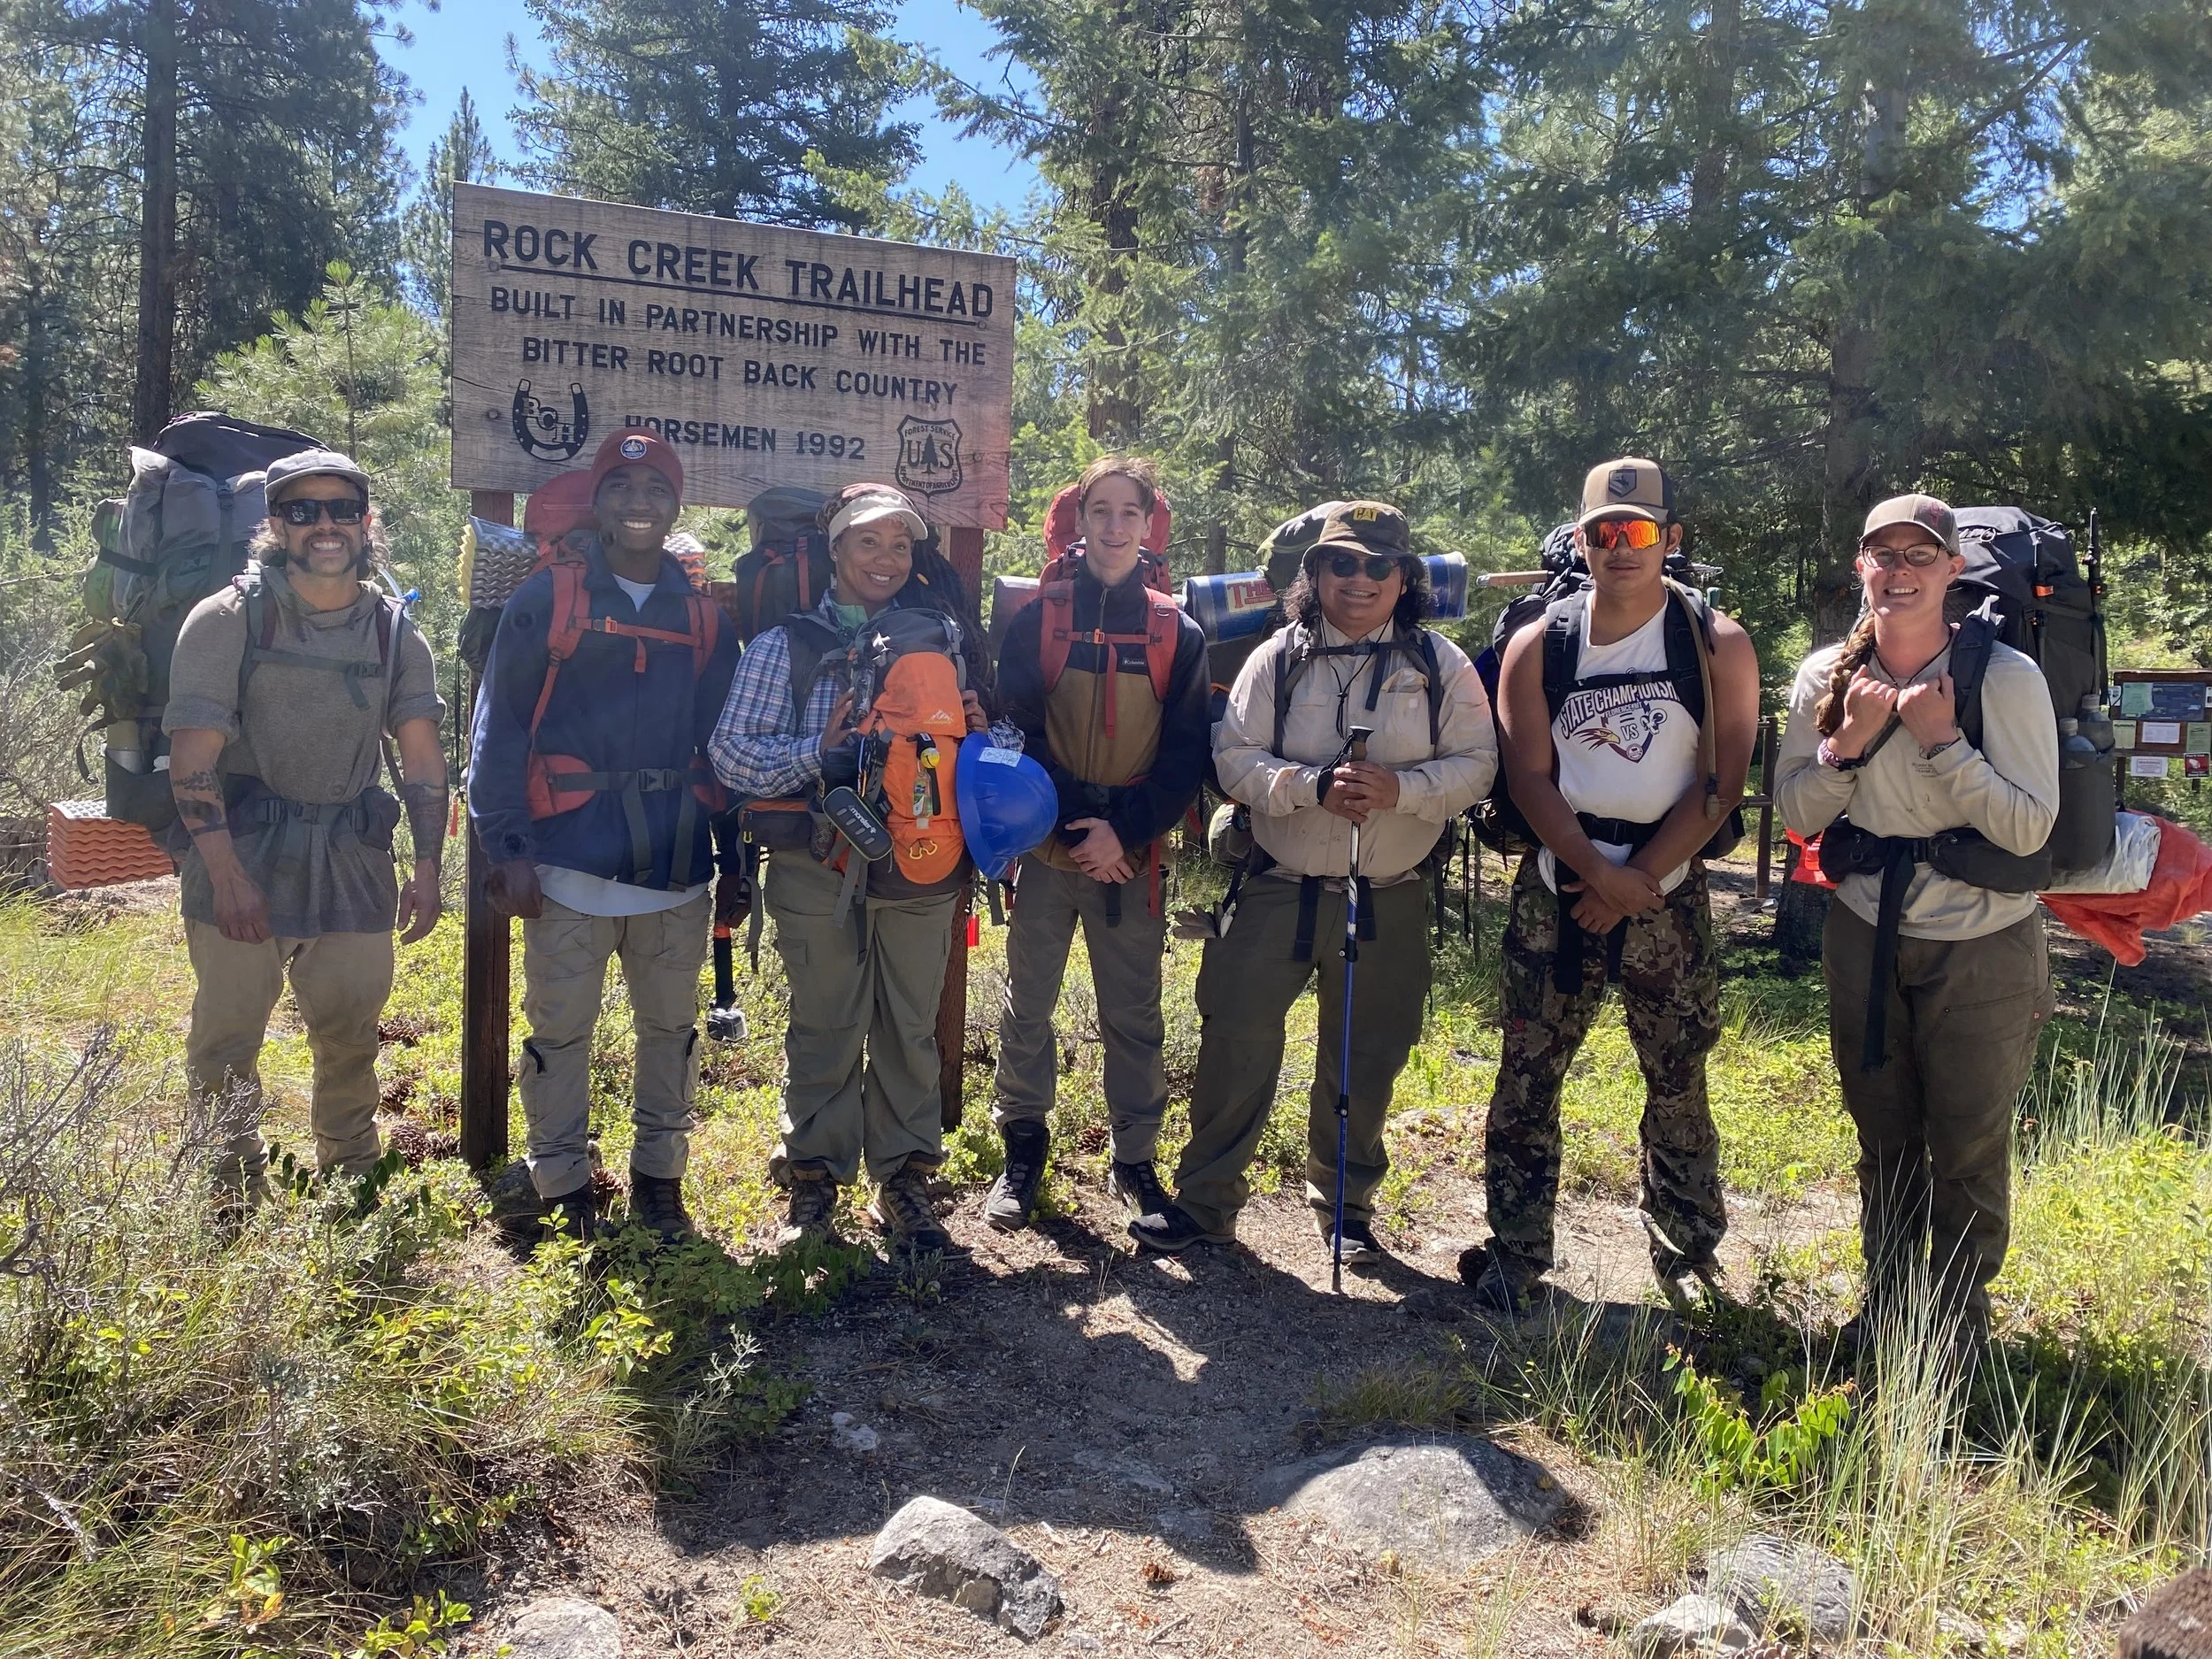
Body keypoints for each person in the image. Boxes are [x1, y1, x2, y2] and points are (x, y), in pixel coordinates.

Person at [1128, 501, 1497, 1260]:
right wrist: (1309, 786)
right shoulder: (1277, 658)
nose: (1360, 579)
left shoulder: (1441, 665)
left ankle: (1346, 1207)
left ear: (1404, 578)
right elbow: (1234, 758)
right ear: (1316, 573)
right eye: (1342, 563)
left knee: (1367, 1053)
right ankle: (1205, 1201)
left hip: (1389, 891)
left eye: (1378, 565)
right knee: (1234, 1040)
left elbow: (1479, 765)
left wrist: (1402, 790)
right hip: (1277, 885)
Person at [1469, 458, 1759, 1313]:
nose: (1621, 547)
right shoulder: (1539, 645)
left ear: (1670, 538)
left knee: (1677, 1072)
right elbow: (1529, 777)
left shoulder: (1716, 643)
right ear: (1582, 539)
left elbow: (1720, 785)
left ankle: (1686, 1249)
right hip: (1559, 887)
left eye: (1638, 531)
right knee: (1527, 1072)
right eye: (1604, 532)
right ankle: (1516, 1251)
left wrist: (1639, 877)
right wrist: (1596, 873)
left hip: (1668, 889)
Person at [1774, 493, 2057, 1358]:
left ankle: (1958, 1329)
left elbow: (2028, 828)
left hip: (1984, 940)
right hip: (1866, 929)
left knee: (1967, 1141)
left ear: (1952, 569)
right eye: (1883, 554)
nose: (1899, 571)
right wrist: (1848, 743)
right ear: (1860, 566)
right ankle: (1891, 1308)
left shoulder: (2004, 676)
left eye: (1920, 555)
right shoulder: (1826, 677)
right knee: (1883, 1134)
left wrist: (1943, 742)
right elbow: (1796, 810)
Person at [471, 429, 739, 1244]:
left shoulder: (703, 617)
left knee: (671, 1034)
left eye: (656, 489)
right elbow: (498, 730)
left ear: (676, 505)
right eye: (622, 487)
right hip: (565, 863)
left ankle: (660, 1182)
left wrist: (736, 863)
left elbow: (723, 750)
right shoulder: (546, 599)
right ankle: (562, 1183)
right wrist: (508, 850)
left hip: (675, 868)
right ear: (599, 501)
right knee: (560, 1035)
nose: (638, 503)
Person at [710, 485, 989, 1252]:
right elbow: (731, 754)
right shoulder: (785, 646)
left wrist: (982, 740)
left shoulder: (947, 644)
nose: (885, 558)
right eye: (867, 542)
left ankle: (903, 1178)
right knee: (825, 1022)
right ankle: (814, 1176)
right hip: (817, 862)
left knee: (909, 1025)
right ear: (833, 550)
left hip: (921, 862)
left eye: (900, 545)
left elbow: (980, 752)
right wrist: (819, 754)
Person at [165, 448, 446, 1202]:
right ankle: (229, 1191)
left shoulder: (393, 632)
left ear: (365, 521)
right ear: (276, 524)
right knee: (227, 1043)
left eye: (341, 509)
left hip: (352, 856)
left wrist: (426, 865)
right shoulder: (226, 620)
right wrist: (226, 875)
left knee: (352, 1036)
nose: (325, 525)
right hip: (245, 851)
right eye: (303, 510)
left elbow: (421, 758)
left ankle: (352, 1184)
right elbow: (191, 760)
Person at [982, 455, 1210, 1231]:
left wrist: (1126, 831)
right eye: (1100, 510)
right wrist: (1084, 827)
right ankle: (1022, 1149)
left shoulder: (1176, 632)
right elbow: (1017, 731)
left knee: (1134, 1015)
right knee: (1028, 1005)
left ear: (1149, 526)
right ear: (1079, 521)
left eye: (1129, 512)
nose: (1115, 526)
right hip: (1050, 849)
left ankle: (1135, 1163)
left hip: (1131, 858)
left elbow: (1186, 755)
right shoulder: (1035, 620)